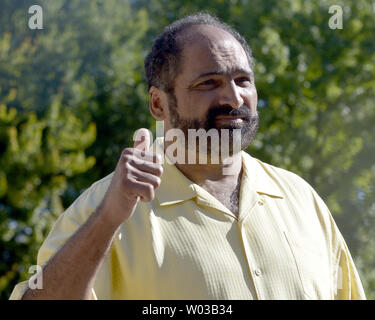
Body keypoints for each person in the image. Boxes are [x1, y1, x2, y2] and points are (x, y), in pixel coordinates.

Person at [10, 12, 365, 300]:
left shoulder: (301, 199)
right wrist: (108, 220)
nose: (233, 98)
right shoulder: (105, 207)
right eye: (208, 83)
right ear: (157, 103)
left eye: (243, 80)